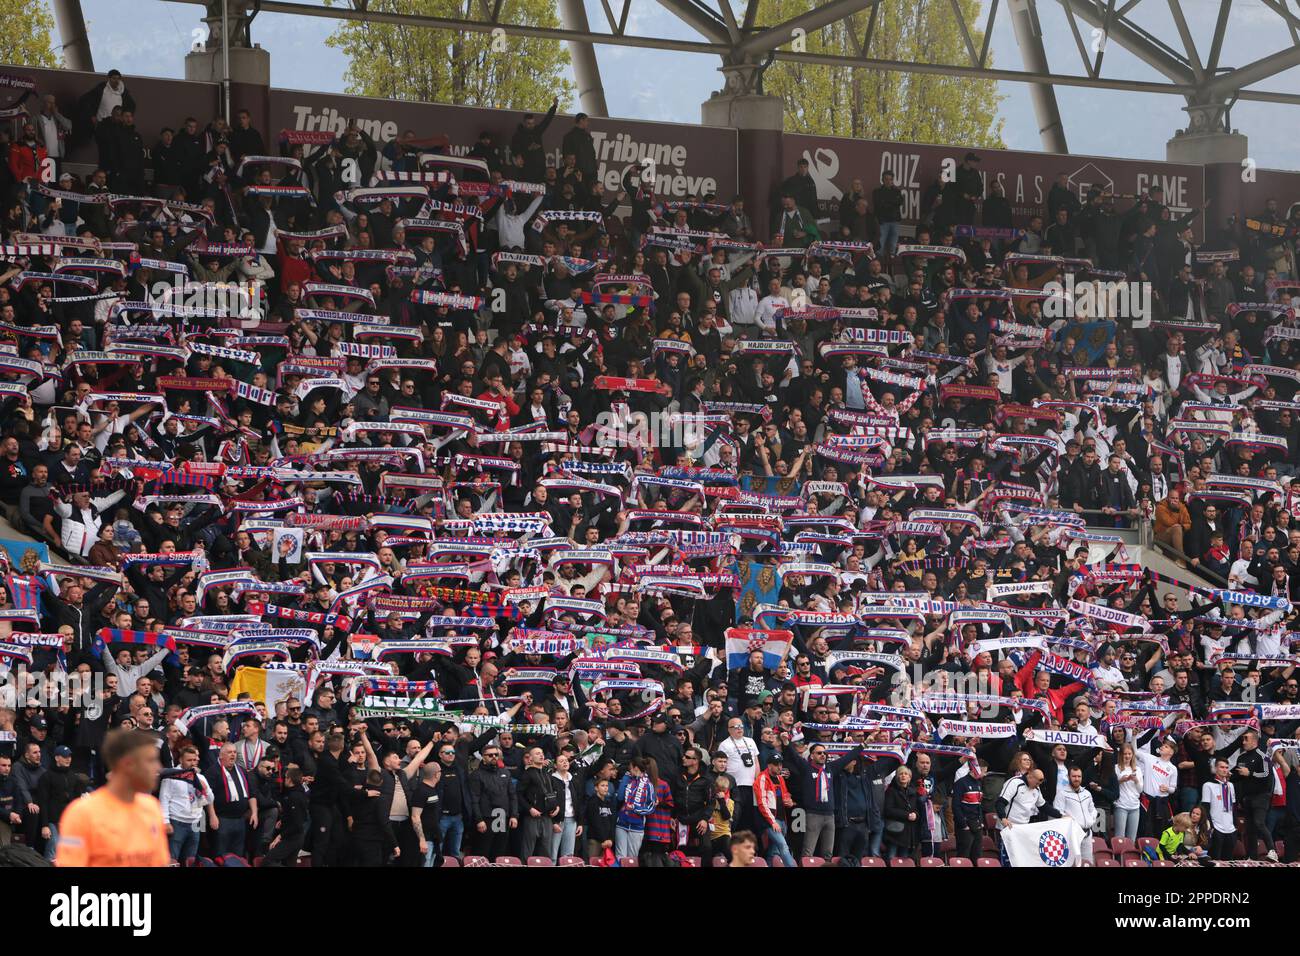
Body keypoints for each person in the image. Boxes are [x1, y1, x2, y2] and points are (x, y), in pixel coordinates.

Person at [55, 729, 168, 867]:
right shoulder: (82, 814)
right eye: (151, 760)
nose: (159, 768)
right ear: (128, 764)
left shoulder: (152, 807)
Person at [1202, 757, 1239, 861]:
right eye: (1222, 767)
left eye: (1226, 767)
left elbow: (1234, 806)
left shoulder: (1231, 785)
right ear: (1215, 768)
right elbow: (1205, 808)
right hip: (1217, 827)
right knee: (1216, 860)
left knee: (1228, 860)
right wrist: (1211, 827)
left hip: (1230, 828)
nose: (1224, 770)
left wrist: (1235, 825)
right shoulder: (1208, 785)